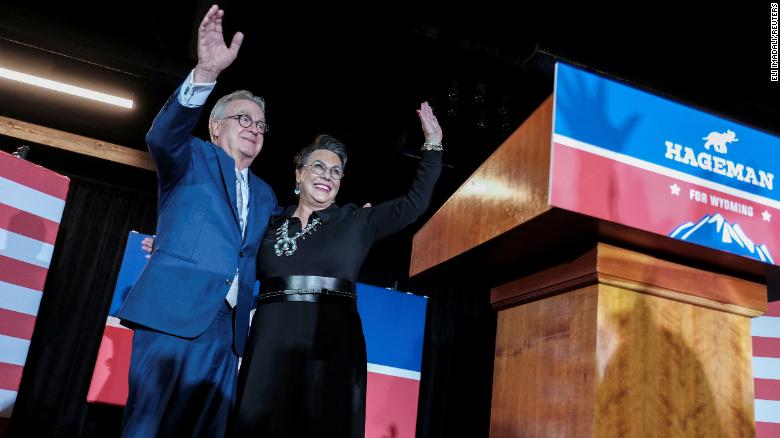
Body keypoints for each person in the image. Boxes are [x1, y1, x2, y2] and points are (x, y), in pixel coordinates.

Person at [232, 102, 444, 437]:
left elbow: (414, 204)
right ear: (299, 173)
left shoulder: (356, 221)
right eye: (318, 167)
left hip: (332, 343)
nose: (327, 176)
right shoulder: (268, 220)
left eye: (335, 172)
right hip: (270, 341)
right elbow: (232, 248)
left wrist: (432, 144)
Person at [116, 5, 277, 437]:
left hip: (228, 331)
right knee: (147, 427)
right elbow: (161, 137)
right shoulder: (190, 156)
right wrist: (205, 73)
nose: (254, 128)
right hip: (173, 315)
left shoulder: (266, 193)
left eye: (261, 124)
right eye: (244, 119)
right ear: (215, 125)